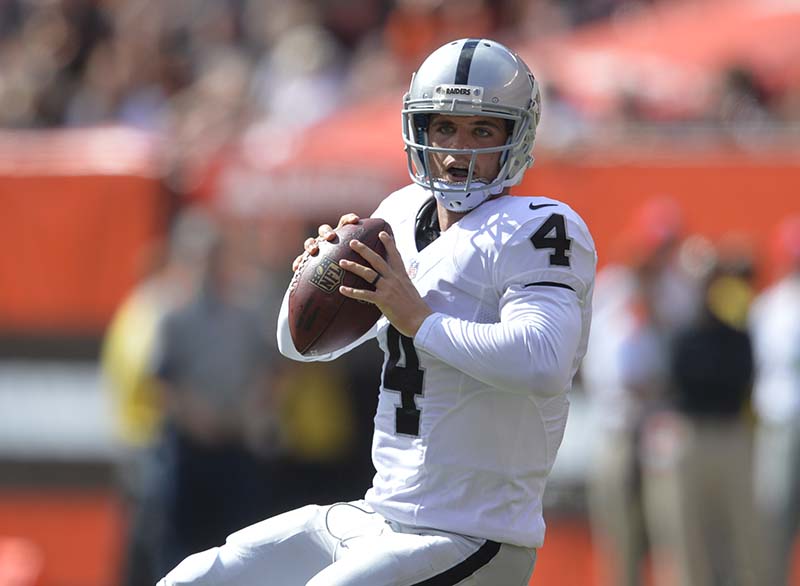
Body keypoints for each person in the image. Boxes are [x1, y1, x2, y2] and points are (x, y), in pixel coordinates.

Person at [158, 37, 596, 586]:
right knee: (196, 578)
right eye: (444, 128)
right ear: (420, 131)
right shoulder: (398, 211)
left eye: (482, 130)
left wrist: (417, 318)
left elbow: (545, 361)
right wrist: (315, 281)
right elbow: (298, 346)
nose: (458, 149)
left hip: (469, 532)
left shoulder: (538, 227)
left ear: (516, 136)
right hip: (379, 513)